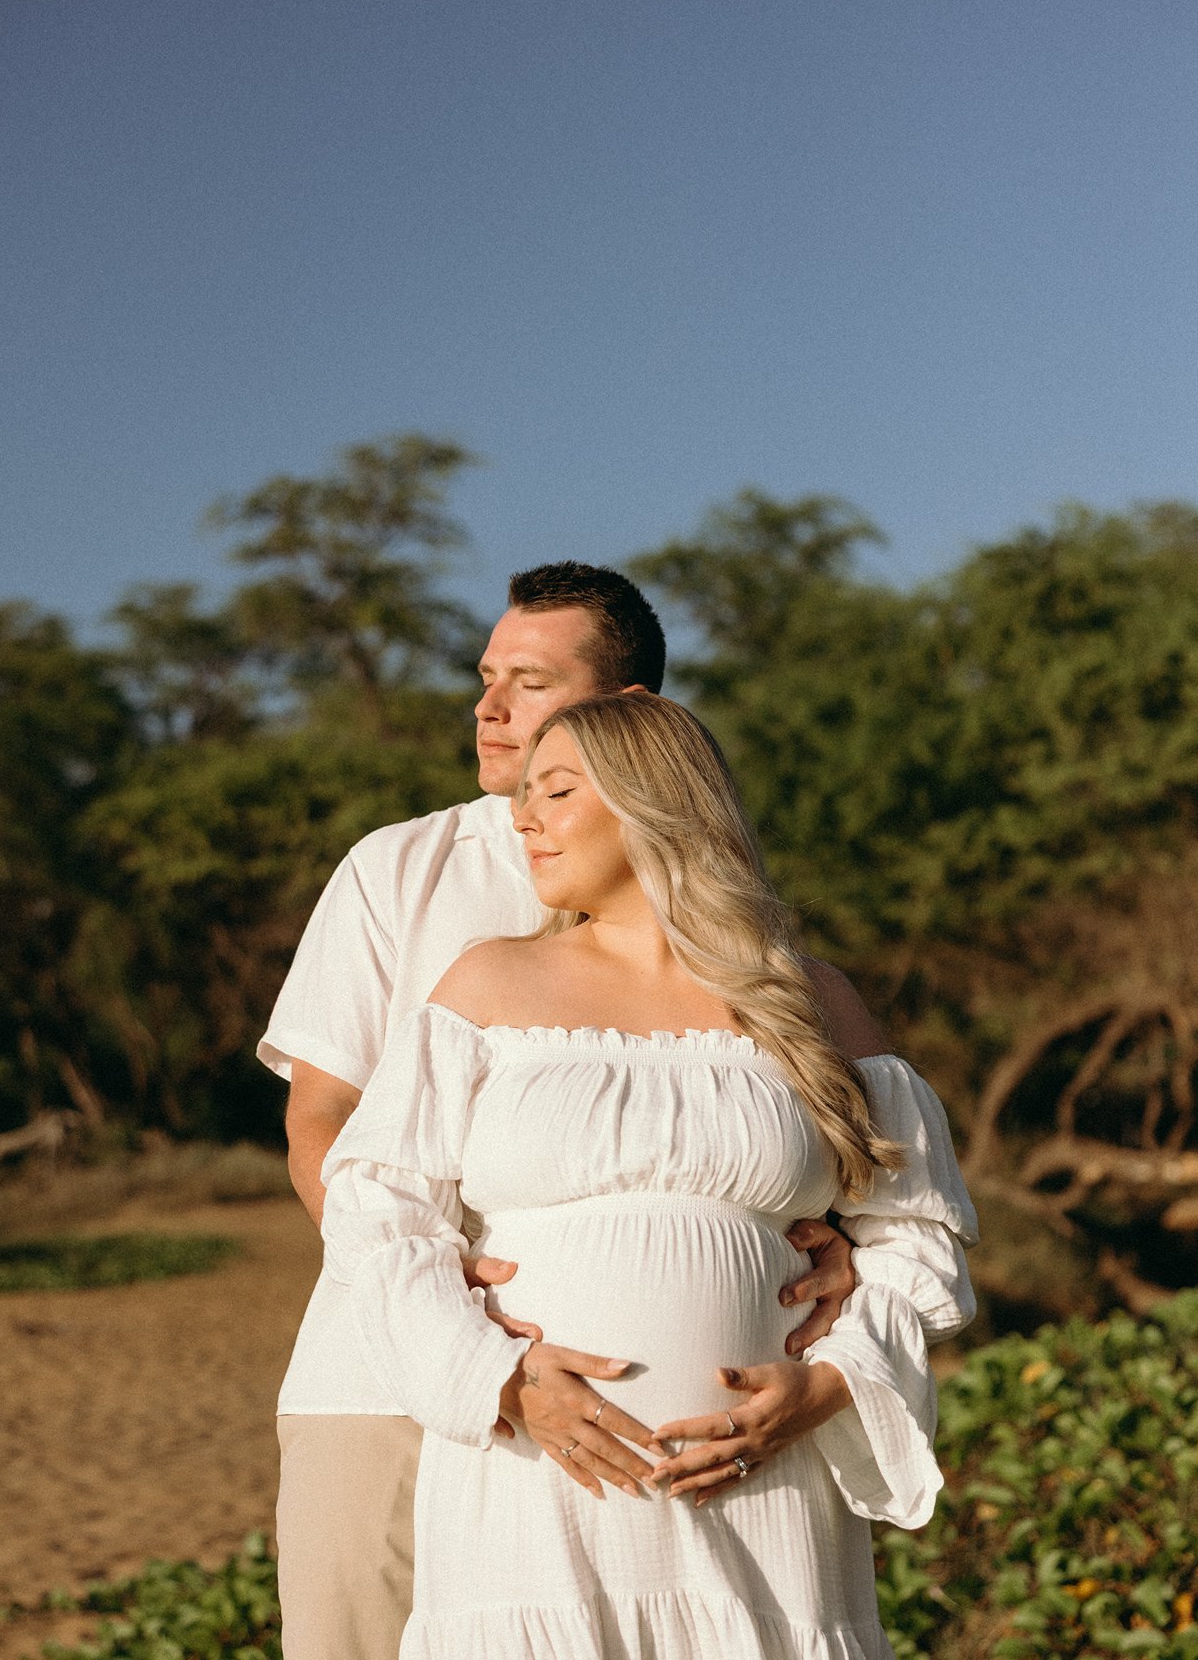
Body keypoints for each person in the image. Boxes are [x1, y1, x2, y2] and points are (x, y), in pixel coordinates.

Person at [264, 563, 860, 1659]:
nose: (488, 710)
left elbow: (817, 1141)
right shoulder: (399, 868)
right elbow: (326, 1130)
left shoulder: (730, 925)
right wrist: (459, 1336)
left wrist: (847, 1258)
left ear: (632, 715)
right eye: (485, 677)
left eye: (529, 683)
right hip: (382, 1369)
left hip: (702, 1465)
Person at [322, 692, 978, 1658]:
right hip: (537, 1485)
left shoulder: (807, 998)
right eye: (525, 795)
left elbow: (919, 1232)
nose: (522, 815)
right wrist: (496, 1378)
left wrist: (831, 1384)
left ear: (650, 801)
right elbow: (377, 1212)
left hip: (766, 1496)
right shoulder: (487, 982)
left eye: (556, 790)